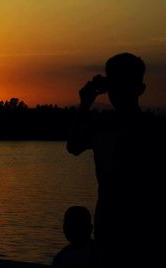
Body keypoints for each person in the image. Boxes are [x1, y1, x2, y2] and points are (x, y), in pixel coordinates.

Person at [67, 52, 165, 267]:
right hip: (109, 229)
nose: (117, 92)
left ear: (139, 90)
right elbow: (73, 146)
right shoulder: (102, 125)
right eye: (114, 85)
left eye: (123, 85)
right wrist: (85, 103)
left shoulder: (152, 129)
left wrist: (85, 104)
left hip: (141, 230)